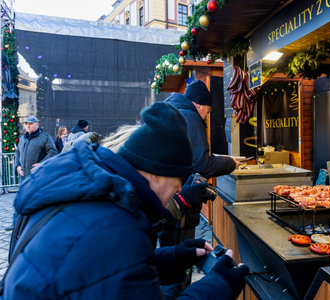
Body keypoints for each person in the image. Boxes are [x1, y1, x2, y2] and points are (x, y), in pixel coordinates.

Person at [2, 102, 249, 299]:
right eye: (175, 182)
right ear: (154, 174)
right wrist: (218, 287)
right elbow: (113, 258)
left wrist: (172, 258)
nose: (175, 191)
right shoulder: (117, 226)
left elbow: (102, 274)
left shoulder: (97, 195)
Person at [162, 80, 241, 297]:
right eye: (207, 110)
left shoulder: (175, 111)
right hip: (180, 206)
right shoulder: (191, 117)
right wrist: (231, 163)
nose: (207, 115)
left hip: (170, 204)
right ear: (199, 105)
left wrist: (223, 158)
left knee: (171, 257)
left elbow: (194, 157)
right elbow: (202, 164)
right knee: (178, 269)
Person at [5, 116, 57, 231]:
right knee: (21, 199)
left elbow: (53, 152)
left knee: (38, 200)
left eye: (31, 123)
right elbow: (17, 152)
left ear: (37, 124)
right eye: (26, 124)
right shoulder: (22, 138)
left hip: (37, 176)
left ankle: (39, 225)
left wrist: (41, 164)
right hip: (23, 176)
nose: (28, 125)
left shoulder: (45, 137)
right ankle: (16, 224)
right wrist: (17, 166)